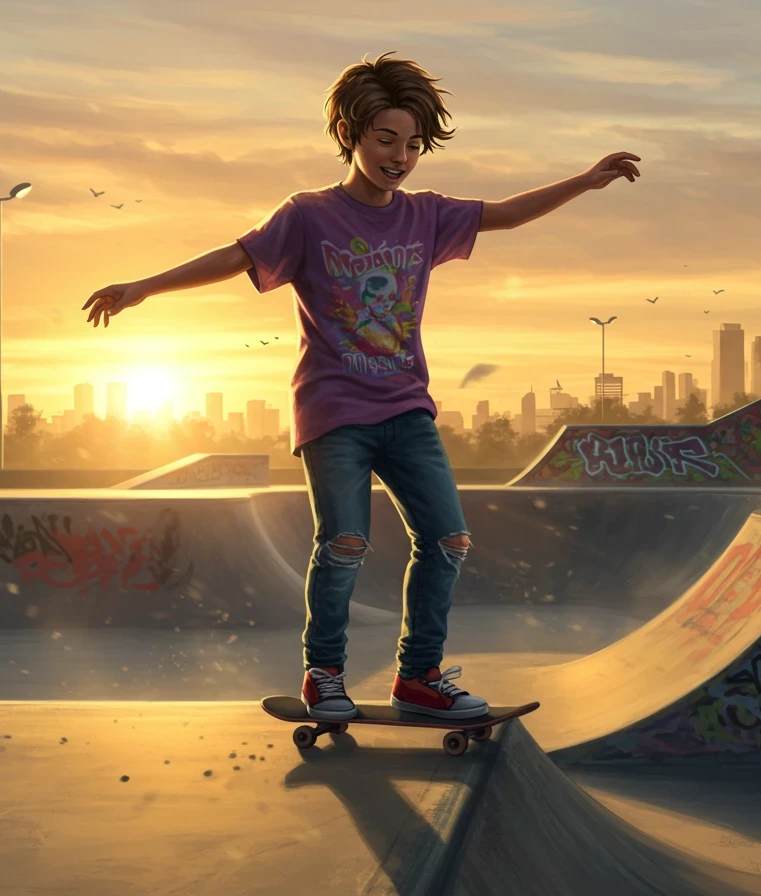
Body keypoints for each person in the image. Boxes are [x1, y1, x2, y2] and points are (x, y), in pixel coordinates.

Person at [81, 51, 641, 722]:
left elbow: (507, 214)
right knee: (344, 544)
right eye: (386, 140)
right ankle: (324, 674)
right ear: (350, 134)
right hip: (335, 411)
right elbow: (237, 257)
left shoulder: (426, 216)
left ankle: (419, 676)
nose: (400, 157)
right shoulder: (308, 215)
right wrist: (144, 287)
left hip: (406, 409)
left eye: (413, 145)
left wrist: (586, 181)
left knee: (449, 541)